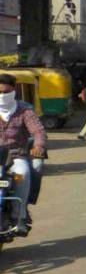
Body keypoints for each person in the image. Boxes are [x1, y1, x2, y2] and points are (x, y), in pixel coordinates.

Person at [0, 73, 47, 234]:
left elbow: (38, 131)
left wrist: (39, 145)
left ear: (13, 91)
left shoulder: (24, 110)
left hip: (15, 156)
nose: (2, 95)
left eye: (6, 92)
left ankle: (19, 216)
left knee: (23, 174)